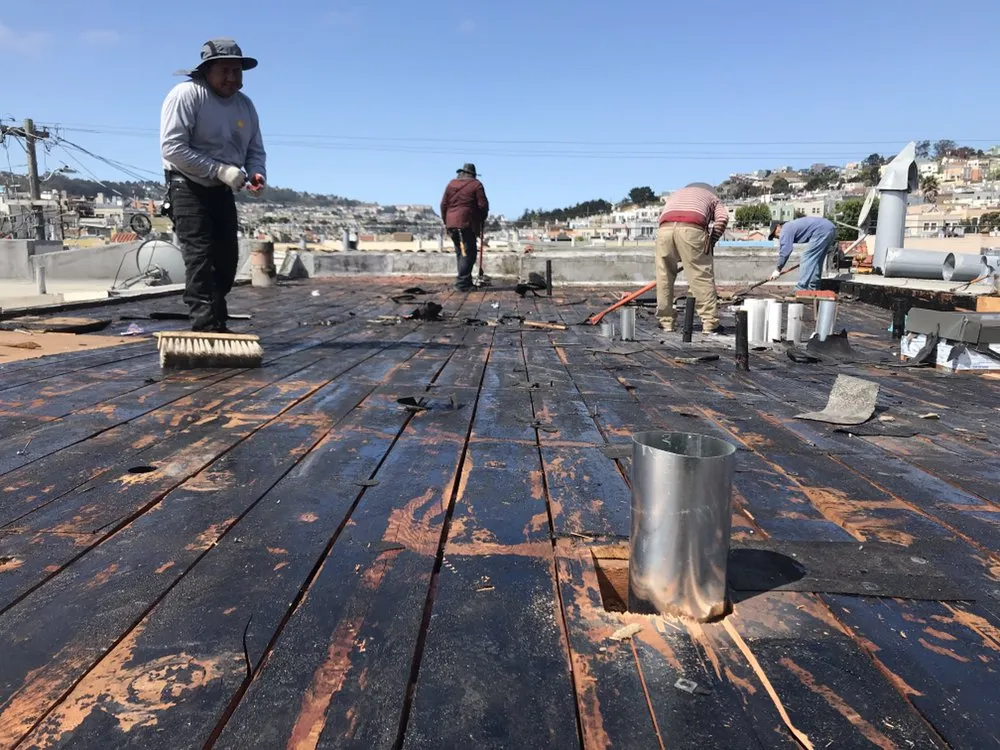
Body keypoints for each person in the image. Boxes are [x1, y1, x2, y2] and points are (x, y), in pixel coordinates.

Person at [160, 38, 267, 332]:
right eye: (225, 71)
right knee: (200, 257)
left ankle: (215, 318)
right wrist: (219, 170)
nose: (232, 78)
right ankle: (207, 326)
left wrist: (256, 173)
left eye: (237, 71)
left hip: (222, 189)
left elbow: (255, 150)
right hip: (188, 185)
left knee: (227, 261)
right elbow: (172, 148)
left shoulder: (245, 105)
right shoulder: (187, 95)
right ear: (207, 70)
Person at [654, 182, 729, 334]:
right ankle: (710, 323)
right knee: (701, 276)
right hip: (692, 229)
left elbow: (663, 218)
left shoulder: (675, 194)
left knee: (664, 276)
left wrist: (678, 250)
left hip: (664, 231)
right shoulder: (712, 197)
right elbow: (722, 218)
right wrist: (711, 242)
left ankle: (666, 322)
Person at [440, 163, 489, 291]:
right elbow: (483, 205)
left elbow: (443, 204)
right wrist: (482, 219)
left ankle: (465, 281)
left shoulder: (451, 184)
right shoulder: (476, 185)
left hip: (451, 224)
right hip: (466, 223)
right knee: (468, 254)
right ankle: (462, 283)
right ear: (473, 174)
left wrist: (446, 222)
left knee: (461, 253)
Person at [768, 216, 838, 291]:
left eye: (775, 233)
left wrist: (778, 269)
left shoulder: (785, 229)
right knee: (817, 261)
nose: (776, 236)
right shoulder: (791, 226)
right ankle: (814, 287)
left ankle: (801, 288)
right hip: (830, 228)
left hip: (821, 230)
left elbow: (785, 251)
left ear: (778, 226)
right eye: (774, 236)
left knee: (806, 257)